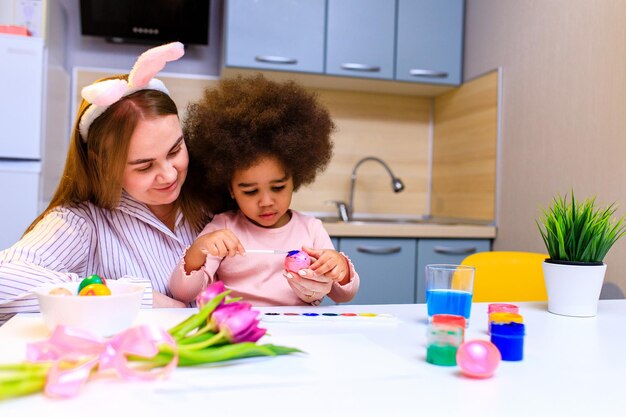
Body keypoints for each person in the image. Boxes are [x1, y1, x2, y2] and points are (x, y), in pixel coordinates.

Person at [0, 42, 213, 325]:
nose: (170, 175)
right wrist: (133, 296)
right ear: (103, 164)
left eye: (175, 151)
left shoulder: (212, 203)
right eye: (145, 166)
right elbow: (5, 279)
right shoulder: (82, 223)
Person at [169, 74, 360, 306]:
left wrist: (339, 267)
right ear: (230, 188)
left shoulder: (311, 229)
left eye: (278, 187)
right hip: (240, 327)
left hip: (300, 329)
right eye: (250, 191)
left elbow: (344, 294)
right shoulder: (224, 227)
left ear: (295, 178)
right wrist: (199, 250)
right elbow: (183, 293)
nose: (266, 201)